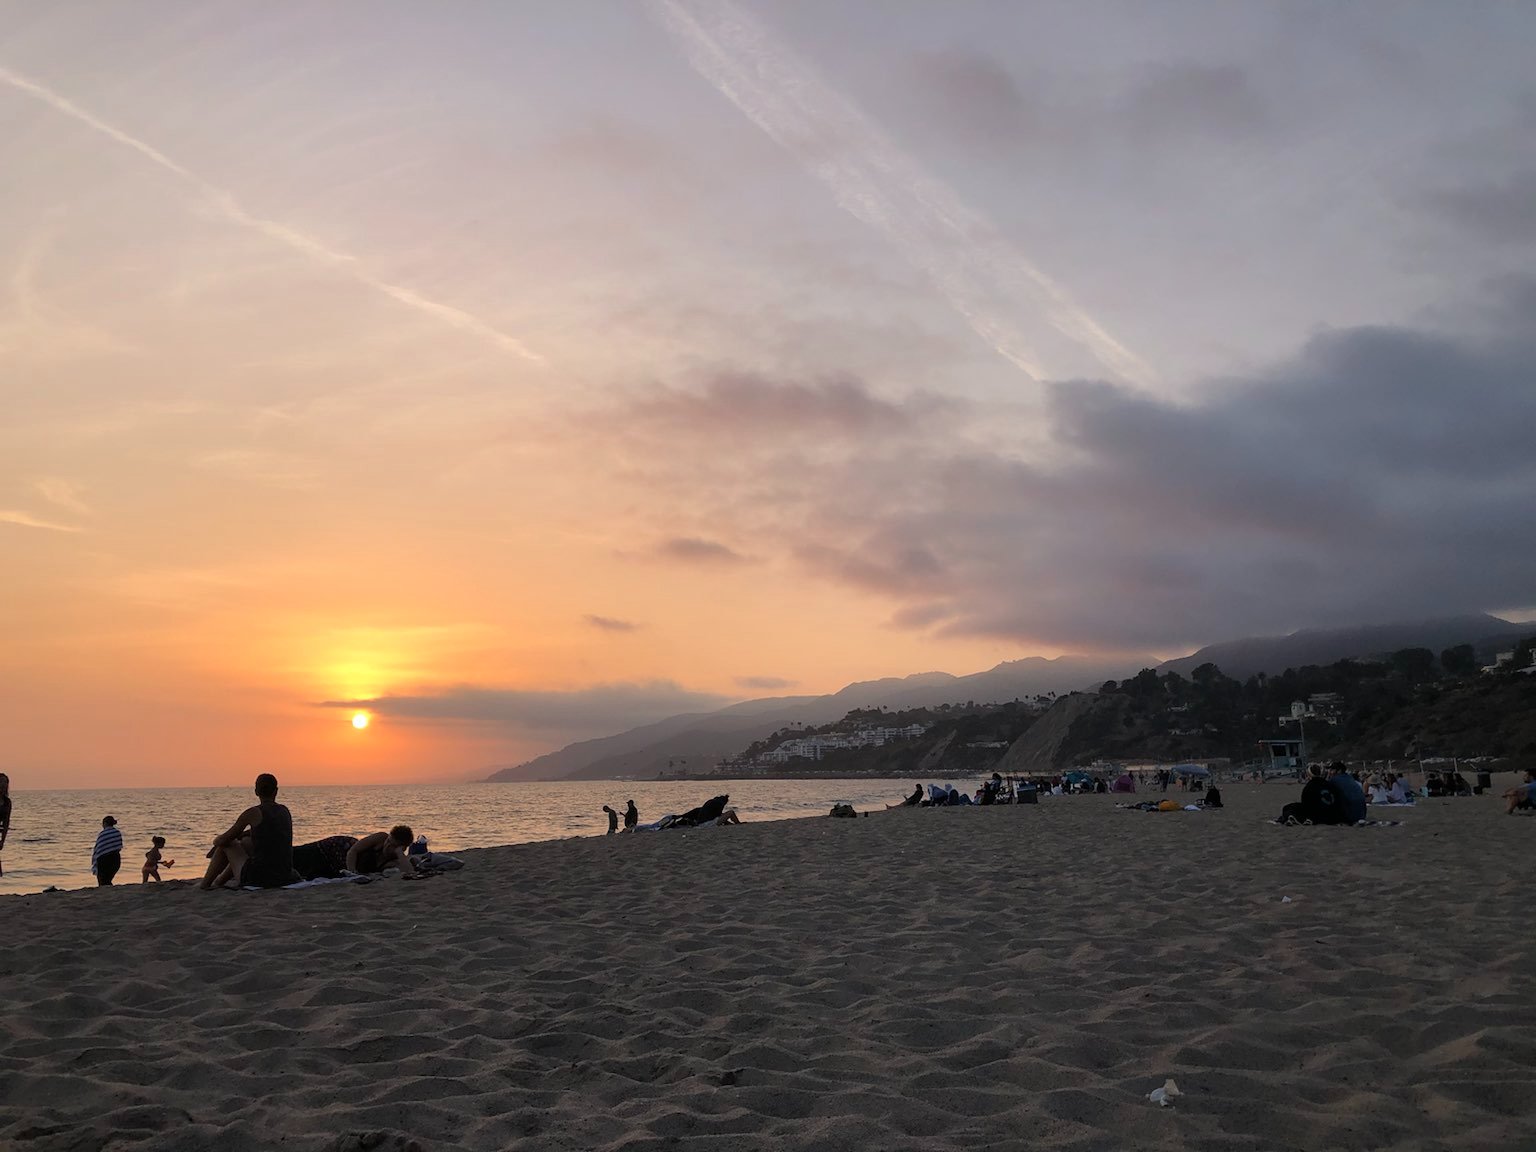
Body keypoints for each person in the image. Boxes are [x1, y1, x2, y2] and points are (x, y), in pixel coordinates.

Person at [199, 773, 294, 890]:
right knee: (246, 842)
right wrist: (241, 836)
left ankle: (205, 884)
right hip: (284, 875)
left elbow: (225, 839)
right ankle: (219, 881)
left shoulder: (252, 813)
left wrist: (216, 842)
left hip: (259, 879)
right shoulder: (284, 811)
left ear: (256, 791)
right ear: (276, 791)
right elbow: (267, 831)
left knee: (228, 845)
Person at [346, 826, 421, 878]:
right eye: (388, 841)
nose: (387, 846)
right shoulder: (381, 838)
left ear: (402, 848)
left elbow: (410, 872)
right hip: (344, 849)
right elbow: (353, 851)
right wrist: (352, 872)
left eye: (393, 845)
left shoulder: (394, 861)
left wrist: (399, 853)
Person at [291, 834, 359, 881]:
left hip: (334, 863)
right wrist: (352, 871)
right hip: (331, 849)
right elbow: (353, 851)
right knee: (298, 855)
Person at [91, 815, 123, 885]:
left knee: (102, 880)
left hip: (104, 860)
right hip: (116, 858)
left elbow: (98, 849)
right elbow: (119, 846)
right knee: (107, 880)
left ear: (105, 823)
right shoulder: (117, 832)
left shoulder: (102, 834)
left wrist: (95, 859)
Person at [0, 772, 10, 878]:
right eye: (0, 782)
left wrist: (3, 840)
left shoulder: (7, 802)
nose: (2, 785)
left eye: (5, 782)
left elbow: (6, 822)